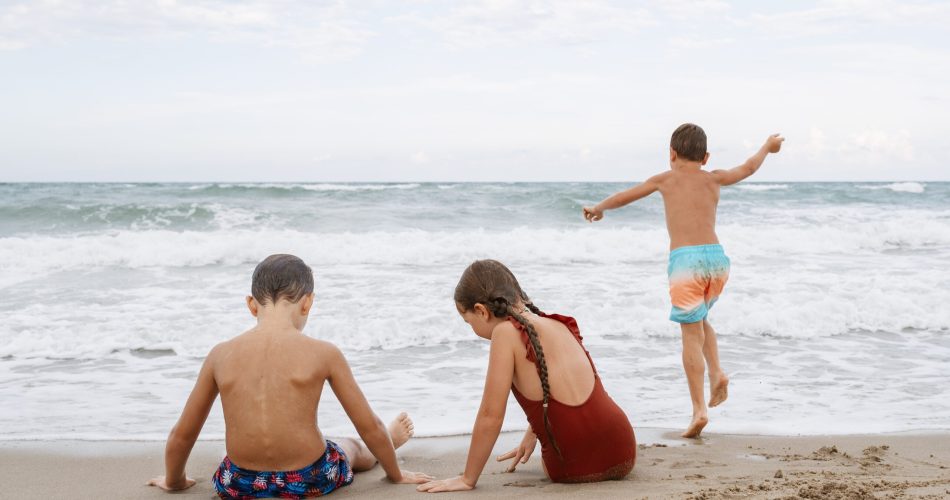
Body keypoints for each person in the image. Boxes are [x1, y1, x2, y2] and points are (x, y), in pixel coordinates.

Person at [147, 254, 431, 498]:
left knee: (232, 454)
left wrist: (174, 481)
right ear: (307, 303)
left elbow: (183, 434)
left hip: (240, 483)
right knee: (352, 447)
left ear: (252, 305)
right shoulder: (324, 353)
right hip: (309, 477)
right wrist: (395, 475)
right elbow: (368, 426)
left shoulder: (220, 354)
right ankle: (388, 446)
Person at [582, 124, 784, 437]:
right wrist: (767, 147)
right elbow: (748, 168)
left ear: (672, 154)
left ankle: (699, 410)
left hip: (686, 263)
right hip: (716, 261)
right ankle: (717, 372)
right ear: (705, 157)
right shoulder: (714, 178)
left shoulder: (664, 179)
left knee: (690, 334)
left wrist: (599, 208)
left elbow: (624, 197)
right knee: (699, 320)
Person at [418, 259, 636, 493]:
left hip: (572, 466)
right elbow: (563, 386)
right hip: (623, 451)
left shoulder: (504, 333)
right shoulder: (558, 323)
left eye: (468, 321)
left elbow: (491, 416)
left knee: (548, 460)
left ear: (481, 310)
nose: (471, 328)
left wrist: (467, 479)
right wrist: (535, 430)